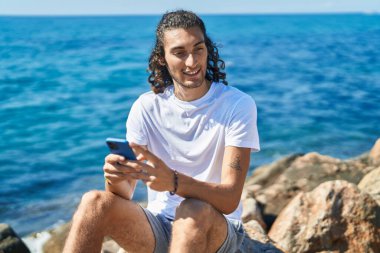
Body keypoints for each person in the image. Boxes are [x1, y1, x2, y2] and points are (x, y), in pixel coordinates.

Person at [63, 9, 259, 253]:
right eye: (179, 53)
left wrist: (174, 181)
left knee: (192, 209)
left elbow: (230, 199)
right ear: (162, 58)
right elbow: (124, 194)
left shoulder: (237, 105)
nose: (192, 62)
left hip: (215, 228)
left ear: (207, 49)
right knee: (93, 202)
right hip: (158, 228)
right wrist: (117, 178)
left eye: (198, 49)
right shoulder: (146, 107)